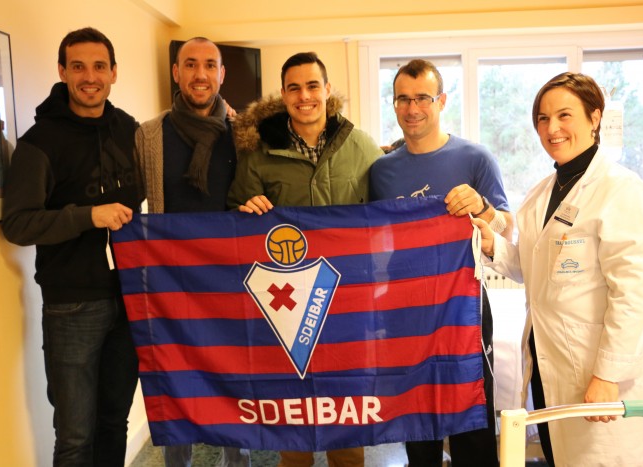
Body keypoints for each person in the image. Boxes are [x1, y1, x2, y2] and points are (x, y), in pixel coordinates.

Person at [473, 72, 643, 466]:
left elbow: (633, 296)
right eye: (543, 119)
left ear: (595, 118)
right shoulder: (542, 193)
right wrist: (494, 245)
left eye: (564, 115)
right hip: (548, 363)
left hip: (597, 371)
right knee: (560, 456)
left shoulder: (622, 192)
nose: (552, 128)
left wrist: (608, 376)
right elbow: (534, 268)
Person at [228, 51, 384, 467]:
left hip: (349, 303)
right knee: (291, 415)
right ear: (283, 94)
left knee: (347, 415)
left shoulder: (362, 146)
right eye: (294, 88)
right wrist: (247, 208)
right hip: (287, 308)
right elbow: (233, 220)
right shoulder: (258, 153)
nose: (304, 96)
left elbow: (388, 216)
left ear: (327, 90)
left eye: (313, 85)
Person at [1, 27, 141, 466]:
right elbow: (18, 224)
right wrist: (87, 216)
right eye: (77, 66)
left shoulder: (129, 130)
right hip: (72, 307)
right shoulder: (38, 143)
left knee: (114, 420)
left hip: (130, 297)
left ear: (114, 73)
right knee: (76, 435)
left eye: (99, 66)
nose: (89, 76)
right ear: (62, 71)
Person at [369, 59, 511, 467]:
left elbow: (508, 231)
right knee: (417, 426)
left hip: (462, 305)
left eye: (423, 98)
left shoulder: (475, 158)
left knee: (473, 423)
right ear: (394, 104)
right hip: (404, 309)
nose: (412, 108)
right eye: (403, 99)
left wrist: (482, 208)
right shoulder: (380, 170)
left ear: (442, 101)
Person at [135, 36, 250, 467]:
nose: (200, 74)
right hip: (171, 284)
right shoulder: (148, 135)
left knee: (235, 380)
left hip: (233, 282)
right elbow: (133, 204)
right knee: (176, 385)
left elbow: (255, 194)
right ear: (176, 72)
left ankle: (236, 461)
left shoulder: (243, 133)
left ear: (222, 74)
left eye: (209, 65)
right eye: (190, 64)